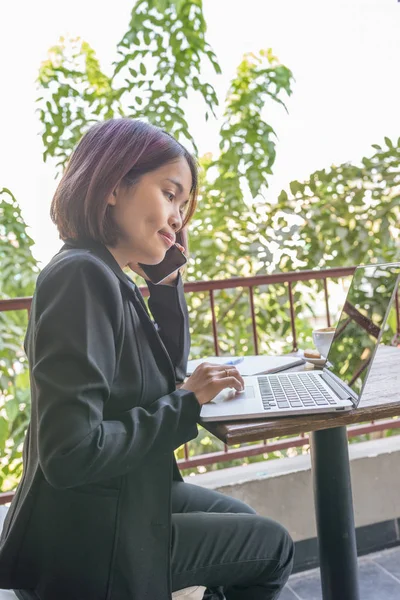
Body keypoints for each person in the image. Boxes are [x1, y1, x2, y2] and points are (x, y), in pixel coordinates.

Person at [0, 118, 294, 600]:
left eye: (183, 204)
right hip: (90, 538)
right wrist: (187, 403)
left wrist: (165, 287)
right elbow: (70, 454)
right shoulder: (83, 277)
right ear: (115, 185)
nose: (178, 216)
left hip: (115, 497)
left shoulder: (105, 274)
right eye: (169, 192)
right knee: (274, 547)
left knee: (245, 523)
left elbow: (164, 376)